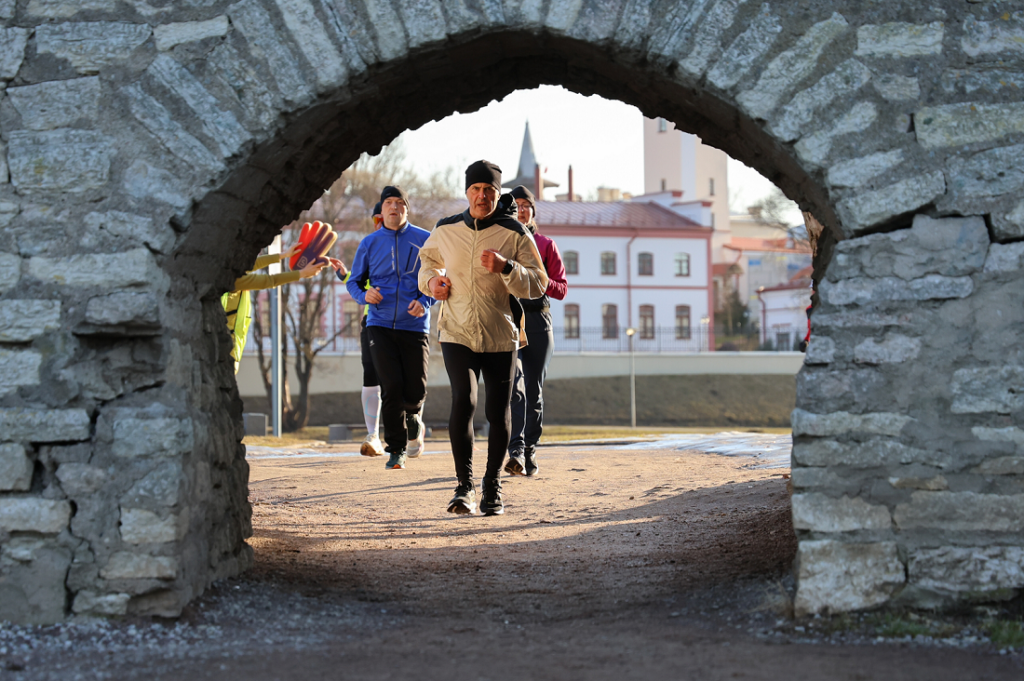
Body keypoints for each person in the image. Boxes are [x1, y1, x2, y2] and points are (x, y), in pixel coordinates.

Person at [419, 160, 548, 516]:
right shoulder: (445, 229)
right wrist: (432, 282)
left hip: (500, 333)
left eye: (489, 190)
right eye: (476, 189)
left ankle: (492, 485)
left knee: (497, 409)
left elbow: (539, 282)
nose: (482, 196)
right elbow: (427, 262)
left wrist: (507, 267)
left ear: (497, 194)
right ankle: (464, 486)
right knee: (463, 400)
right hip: (456, 330)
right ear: (466, 192)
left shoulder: (515, 232)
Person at [347, 186, 435, 470]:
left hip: (414, 325)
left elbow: (440, 279)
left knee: (416, 389)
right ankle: (395, 449)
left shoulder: (425, 240)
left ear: (407, 209)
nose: (394, 207)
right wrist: (364, 295)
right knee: (391, 386)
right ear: (381, 211)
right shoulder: (369, 243)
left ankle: (414, 416)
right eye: (389, 203)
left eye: (400, 203)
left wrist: (425, 300)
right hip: (379, 324)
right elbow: (354, 281)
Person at [503, 186, 567, 478]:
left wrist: (544, 284)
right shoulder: (502, 243)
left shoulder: (546, 244)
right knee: (512, 388)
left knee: (533, 390)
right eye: (516, 205)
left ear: (533, 212)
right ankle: (514, 450)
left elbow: (562, 288)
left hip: (539, 321)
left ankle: (529, 449)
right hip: (508, 322)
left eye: (526, 205)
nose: (522, 209)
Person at [222, 242, 327, 374]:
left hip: (226, 346)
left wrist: (283, 255)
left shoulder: (225, 268)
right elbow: (270, 280)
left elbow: (252, 264)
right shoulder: (235, 279)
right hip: (226, 350)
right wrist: (300, 274)